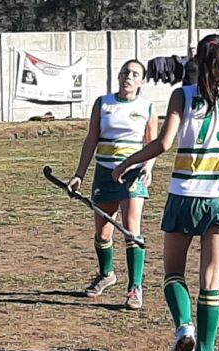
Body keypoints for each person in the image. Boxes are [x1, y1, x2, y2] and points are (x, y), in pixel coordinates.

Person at [112, 34, 219, 351]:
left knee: (173, 273)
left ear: (196, 61)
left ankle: (185, 326)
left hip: (185, 194)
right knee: (211, 280)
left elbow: (164, 143)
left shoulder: (182, 95)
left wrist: (127, 162)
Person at [67, 60, 157, 309]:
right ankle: (106, 274)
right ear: (118, 76)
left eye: (135, 74)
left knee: (131, 229)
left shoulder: (147, 107)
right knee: (103, 232)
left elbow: (153, 144)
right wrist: (79, 174)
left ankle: (134, 288)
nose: (129, 77)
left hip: (132, 175)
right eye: (125, 72)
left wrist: (148, 167)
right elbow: (91, 139)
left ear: (141, 81)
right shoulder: (103, 103)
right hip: (104, 174)